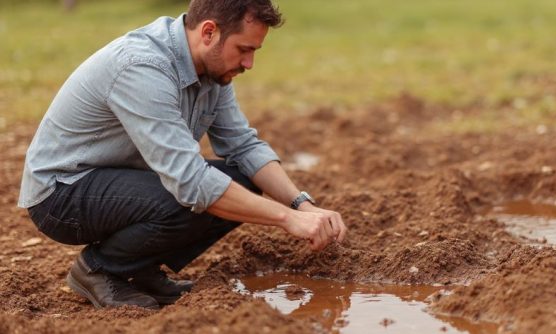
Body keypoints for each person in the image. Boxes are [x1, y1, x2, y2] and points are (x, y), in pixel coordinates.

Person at [18, 0, 347, 310]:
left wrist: (301, 204)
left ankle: (139, 268)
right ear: (208, 32)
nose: (249, 64)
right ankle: (98, 269)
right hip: (62, 193)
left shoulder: (212, 69)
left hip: (122, 180)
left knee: (241, 183)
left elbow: (243, 146)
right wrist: (289, 220)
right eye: (244, 50)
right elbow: (189, 180)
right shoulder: (143, 66)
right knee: (191, 194)